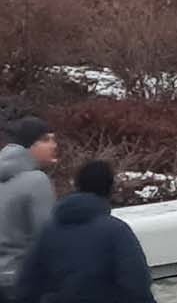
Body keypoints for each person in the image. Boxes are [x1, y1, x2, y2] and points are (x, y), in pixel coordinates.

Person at [12, 158, 155, 303]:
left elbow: (26, 286)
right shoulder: (116, 232)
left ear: (77, 185)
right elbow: (137, 285)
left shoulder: (48, 232)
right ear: (110, 188)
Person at [0, 117, 57, 300]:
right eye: (46, 139)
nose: (54, 145)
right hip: (23, 281)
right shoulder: (37, 180)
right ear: (30, 144)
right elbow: (47, 237)